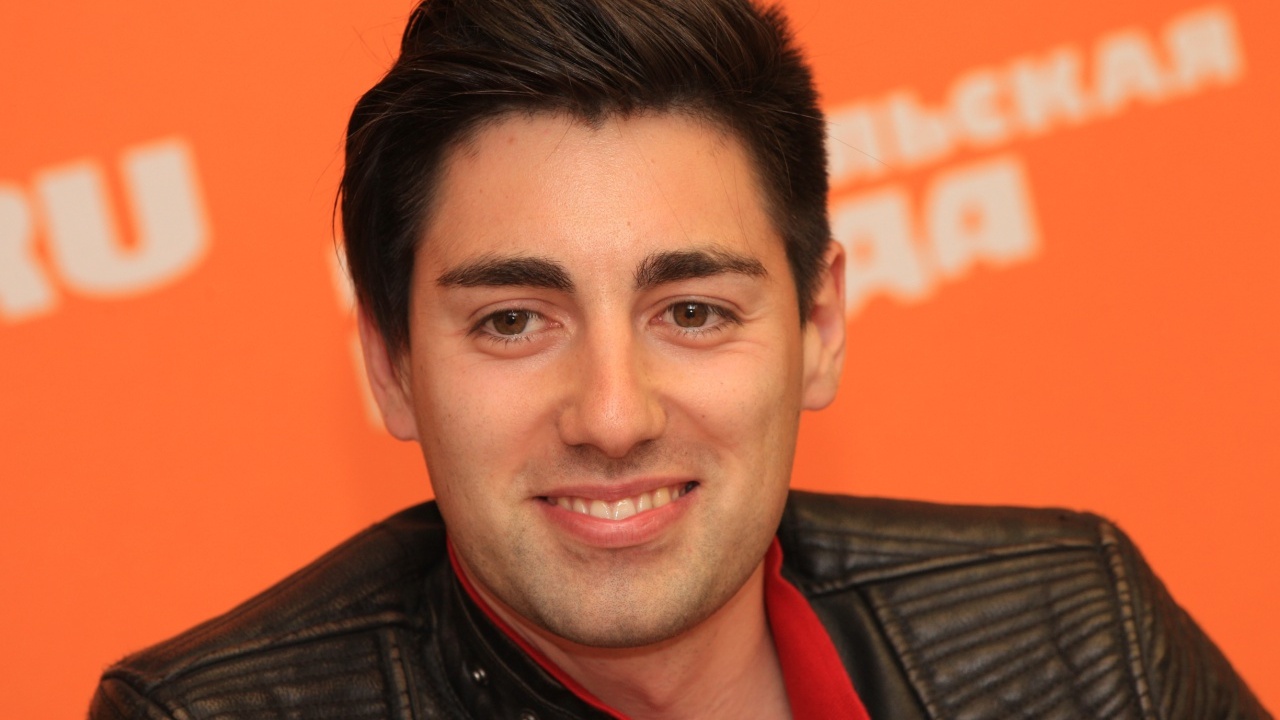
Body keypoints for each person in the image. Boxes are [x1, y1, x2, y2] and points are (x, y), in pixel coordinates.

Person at [90, 0, 1269, 718]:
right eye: (513, 321)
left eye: (692, 311)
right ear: (391, 366)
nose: (612, 414)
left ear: (817, 327)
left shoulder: (1075, 633)